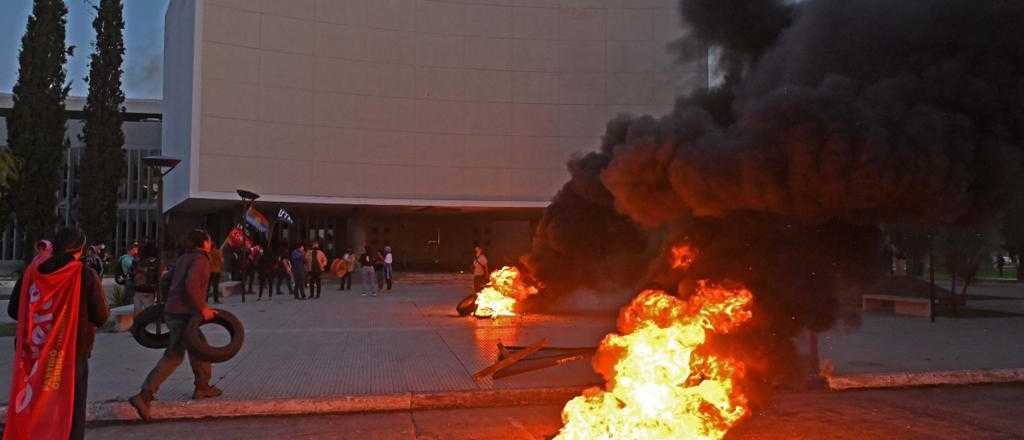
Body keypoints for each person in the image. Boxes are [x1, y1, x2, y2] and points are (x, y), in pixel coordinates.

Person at [5, 227, 109, 440]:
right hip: (70, 353)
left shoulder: (33, 271)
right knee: (70, 407)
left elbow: (14, 310)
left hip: (33, 351)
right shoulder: (83, 274)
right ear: (80, 249)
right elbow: (101, 315)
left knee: (35, 403)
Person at [129, 229, 221, 422]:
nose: (211, 243)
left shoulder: (184, 258)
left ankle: (202, 386)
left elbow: (166, 280)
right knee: (175, 355)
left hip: (175, 311)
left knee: (199, 348)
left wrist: (168, 302)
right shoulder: (200, 260)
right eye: (210, 240)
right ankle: (144, 396)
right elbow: (191, 286)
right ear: (204, 242)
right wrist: (202, 307)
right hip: (184, 314)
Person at [133, 242, 162, 316]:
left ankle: (139, 326)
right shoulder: (155, 263)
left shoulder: (139, 262)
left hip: (141, 290)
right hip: (147, 290)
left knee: (139, 313)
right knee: (147, 313)